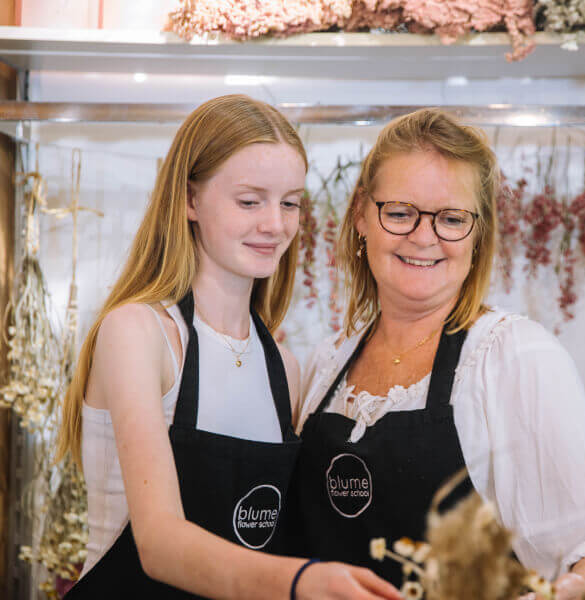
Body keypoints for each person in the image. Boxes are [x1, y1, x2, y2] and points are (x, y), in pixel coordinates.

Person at [56, 95, 401, 600]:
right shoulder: (139, 333)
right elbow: (159, 545)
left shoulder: (283, 368)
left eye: (289, 203)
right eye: (249, 201)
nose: (276, 224)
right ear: (190, 200)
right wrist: (299, 580)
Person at [293, 108, 585, 600]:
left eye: (451, 219)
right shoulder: (326, 363)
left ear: (478, 233)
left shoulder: (513, 357)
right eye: (400, 212)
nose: (423, 236)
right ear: (362, 213)